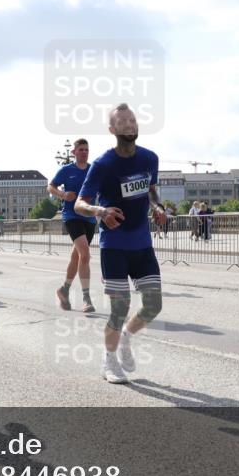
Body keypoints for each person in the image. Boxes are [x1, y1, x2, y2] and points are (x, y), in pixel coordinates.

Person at [75, 103, 166, 384]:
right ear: (112, 130)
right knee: (119, 307)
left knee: (153, 305)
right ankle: (109, 359)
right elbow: (80, 203)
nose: (129, 124)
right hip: (114, 245)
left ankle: (126, 337)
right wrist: (100, 212)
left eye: (133, 120)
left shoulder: (150, 158)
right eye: (122, 121)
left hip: (142, 244)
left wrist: (157, 206)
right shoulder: (104, 165)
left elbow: (151, 190)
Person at [49, 138, 97, 313]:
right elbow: (50, 186)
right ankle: (86, 298)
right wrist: (62, 194)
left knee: (77, 257)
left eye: (87, 149)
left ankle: (64, 290)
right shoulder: (66, 170)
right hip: (71, 216)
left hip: (89, 217)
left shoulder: (94, 170)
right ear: (73, 152)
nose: (84, 152)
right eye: (81, 149)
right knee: (85, 254)